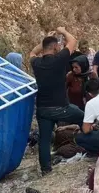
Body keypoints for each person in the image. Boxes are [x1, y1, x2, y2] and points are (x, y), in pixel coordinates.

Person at [30, 27, 84, 175]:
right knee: (83, 116)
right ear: (55, 47)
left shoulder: (36, 63)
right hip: (61, 108)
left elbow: (33, 53)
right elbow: (72, 41)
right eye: (57, 46)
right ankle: (90, 142)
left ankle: (46, 170)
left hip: (43, 109)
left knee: (44, 140)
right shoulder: (60, 59)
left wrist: (45, 40)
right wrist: (63, 31)